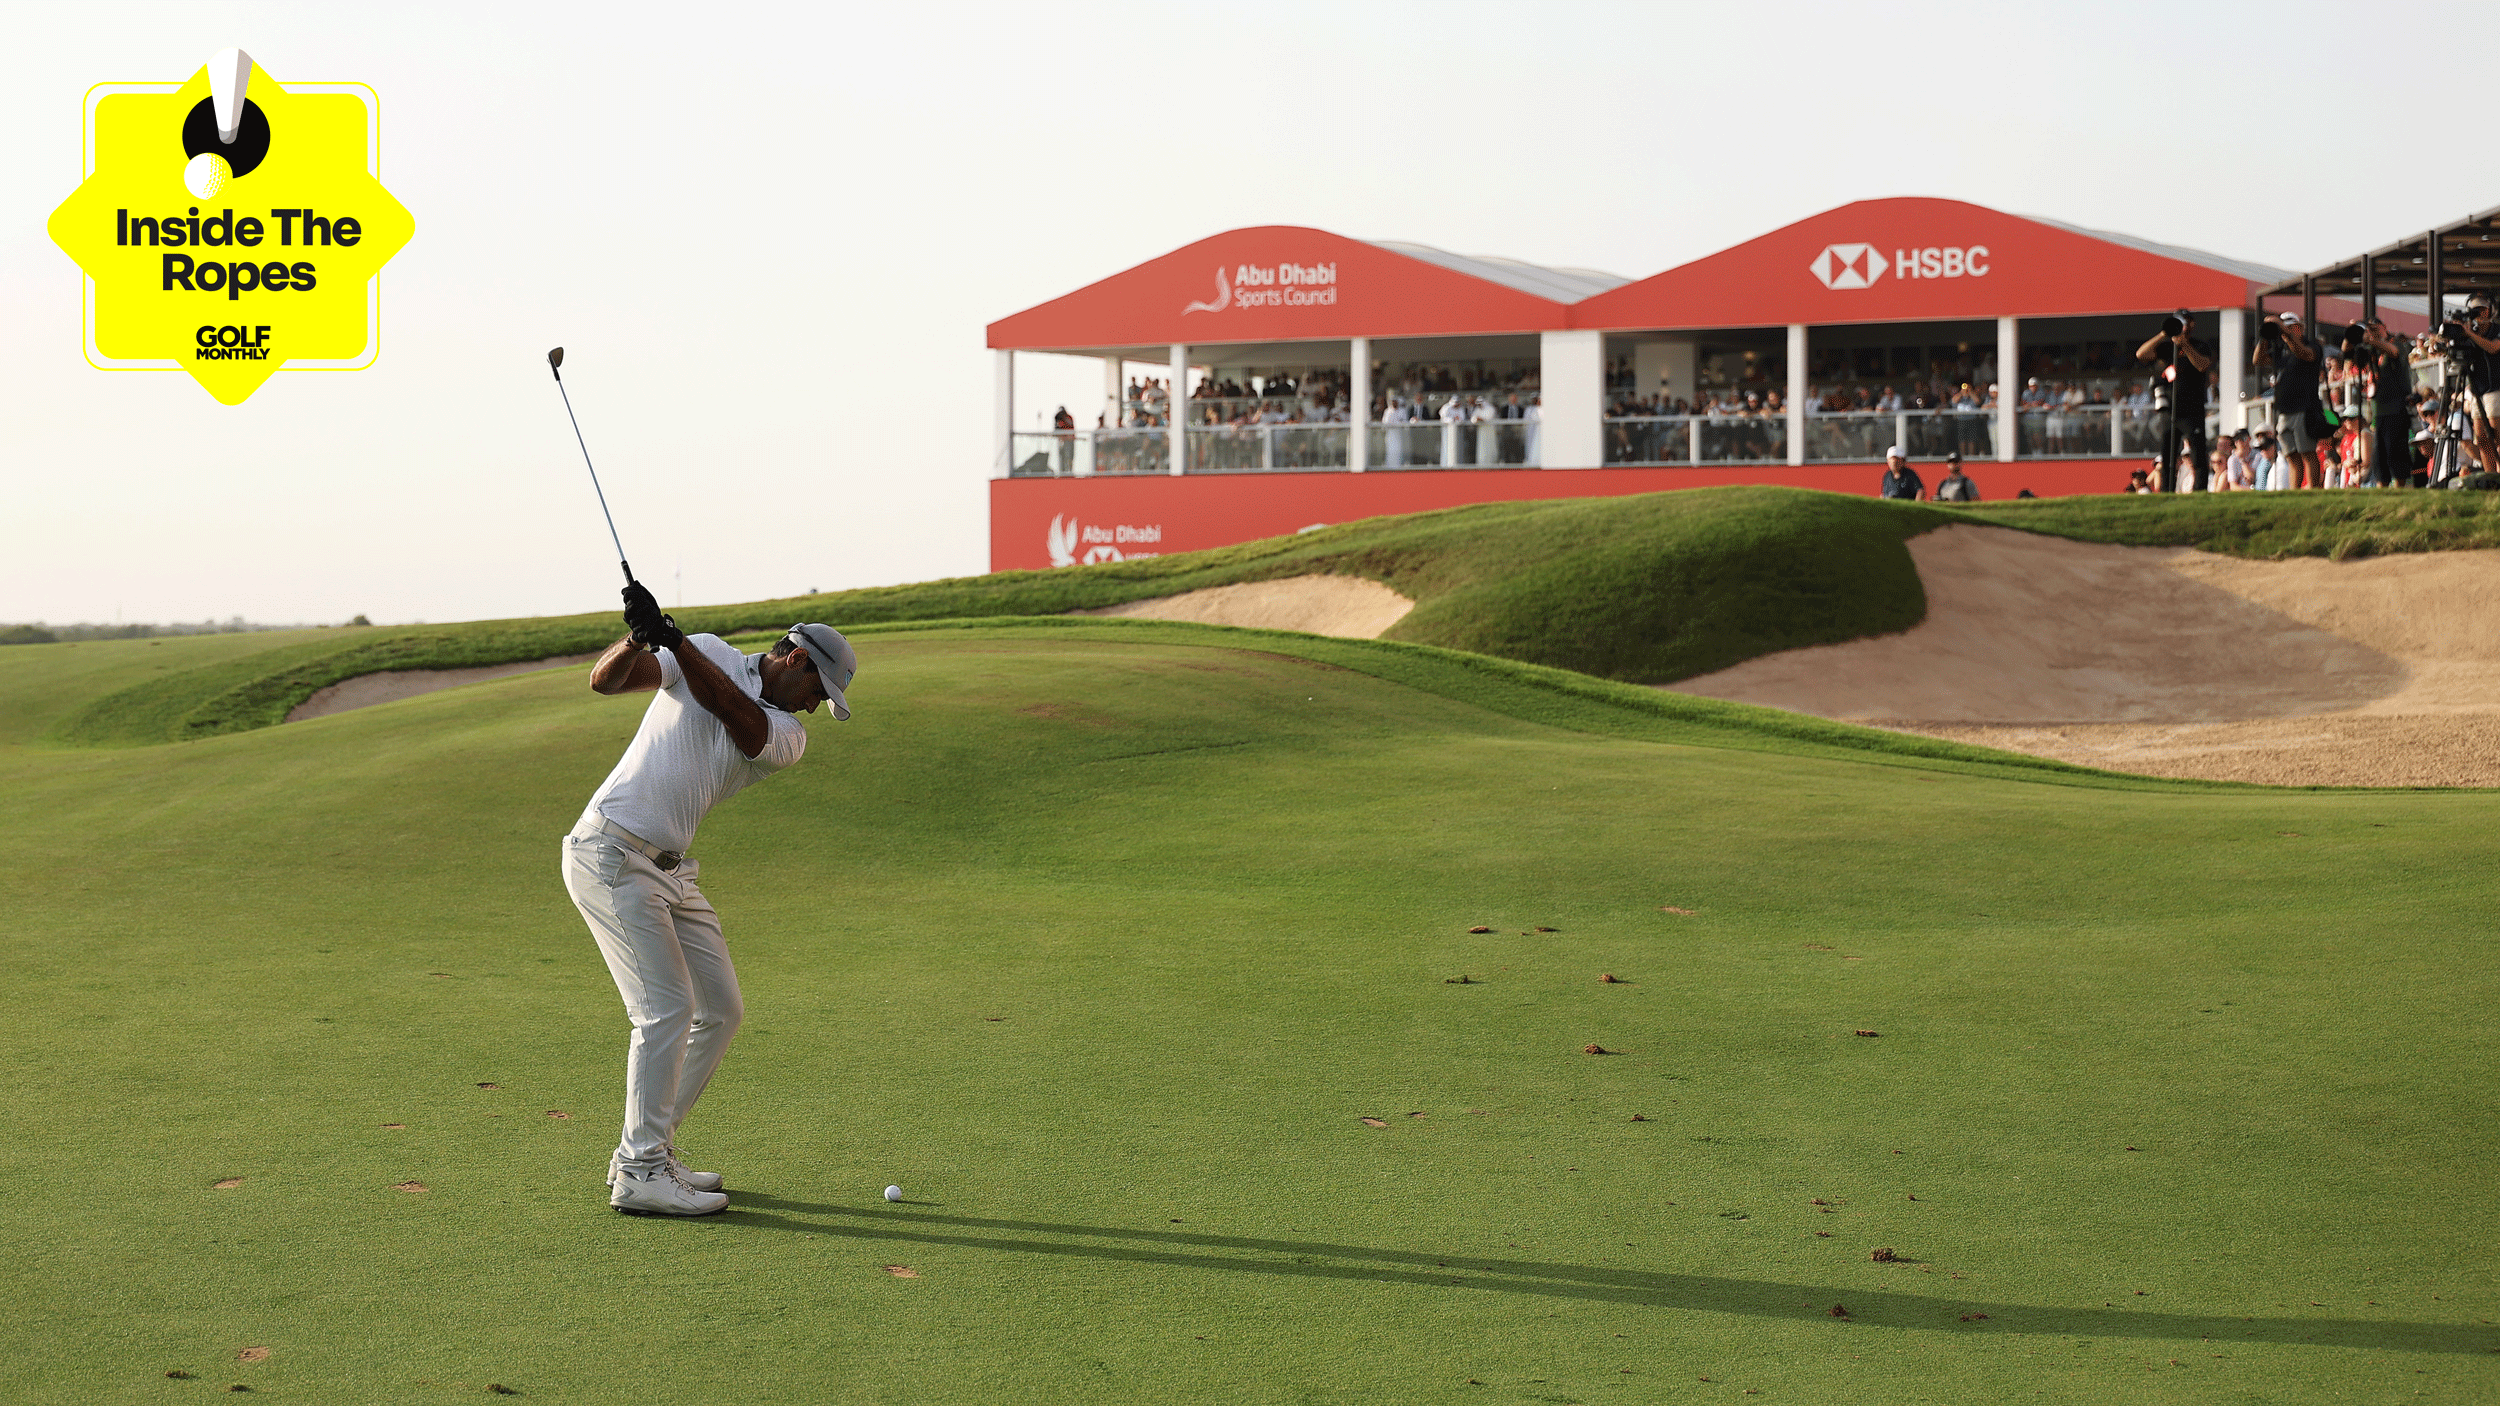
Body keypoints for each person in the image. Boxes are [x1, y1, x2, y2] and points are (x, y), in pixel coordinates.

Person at [564, 589, 856, 1216]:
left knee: (720, 1009)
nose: (813, 706)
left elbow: (735, 714)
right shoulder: (712, 653)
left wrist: (678, 643)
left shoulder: (786, 735)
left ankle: (649, 1148)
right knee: (665, 1010)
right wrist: (642, 637)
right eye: (817, 690)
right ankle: (639, 1171)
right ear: (796, 659)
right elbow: (606, 681)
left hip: (671, 871)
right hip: (611, 853)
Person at [2136, 312, 2214, 491]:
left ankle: (2199, 490)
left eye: (2184, 322)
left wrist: (2184, 344)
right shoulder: (2166, 347)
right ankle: (2167, 491)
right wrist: (2165, 333)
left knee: (2197, 454)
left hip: (2192, 409)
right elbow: (2141, 354)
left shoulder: (2200, 345)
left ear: (2192, 324)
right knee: (2168, 456)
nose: (2182, 326)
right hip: (2169, 410)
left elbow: (2202, 365)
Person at [2252, 313, 2322, 490]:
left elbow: (2304, 354)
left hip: (2304, 407)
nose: (2286, 331)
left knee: (2307, 452)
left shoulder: (2311, 345)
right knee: (2291, 455)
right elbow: (2257, 360)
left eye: (2290, 327)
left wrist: (2286, 334)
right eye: (2284, 327)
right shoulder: (2280, 349)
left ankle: (2313, 489)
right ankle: (2294, 492)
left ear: (2299, 327)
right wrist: (2265, 337)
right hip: (2284, 410)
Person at [1052, 405, 1076, 476]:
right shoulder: (1059, 418)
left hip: (1069, 440)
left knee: (1069, 457)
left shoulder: (1067, 418)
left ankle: (1070, 473)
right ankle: (1062, 473)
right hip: (1062, 440)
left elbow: (1070, 429)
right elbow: (1057, 429)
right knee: (1062, 457)